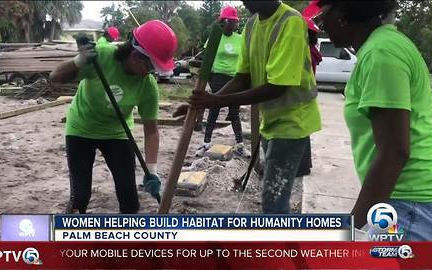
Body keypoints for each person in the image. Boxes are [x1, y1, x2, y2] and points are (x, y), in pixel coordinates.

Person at [315, 0, 432, 240]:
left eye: (323, 13)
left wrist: (348, 230)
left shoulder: (381, 53)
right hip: (405, 200)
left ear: (344, 13)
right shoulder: (380, 47)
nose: (320, 22)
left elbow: (394, 152)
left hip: (410, 204)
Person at [188, 0, 322, 214]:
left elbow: (278, 87)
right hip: (271, 121)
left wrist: (216, 102)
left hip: (293, 122)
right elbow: (243, 77)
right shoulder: (251, 26)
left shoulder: (291, 21)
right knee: (273, 196)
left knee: (273, 201)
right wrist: (206, 102)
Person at [50, 20, 178, 214]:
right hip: (81, 130)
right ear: (136, 55)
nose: (151, 73)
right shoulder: (101, 57)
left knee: (130, 199)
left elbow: (151, 131)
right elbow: (55, 77)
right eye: (150, 66)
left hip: (117, 133)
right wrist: (78, 61)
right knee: (80, 198)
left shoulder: (147, 85)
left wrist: (151, 171)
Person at [195, 6, 250, 158]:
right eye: (230, 21)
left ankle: (240, 145)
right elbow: (207, 56)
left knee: (234, 112)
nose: (233, 24)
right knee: (214, 109)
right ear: (223, 22)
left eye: (235, 22)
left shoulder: (240, 39)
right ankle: (206, 143)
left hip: (234, 78)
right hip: (218, 76)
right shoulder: (215, 37)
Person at [296, 5, 323, 178]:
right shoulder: (311, 50)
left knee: (300, 132)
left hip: (302, 93)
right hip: (306, 93)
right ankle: (305, 166)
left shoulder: (306, 51)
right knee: (303, 131)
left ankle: (302, 167)